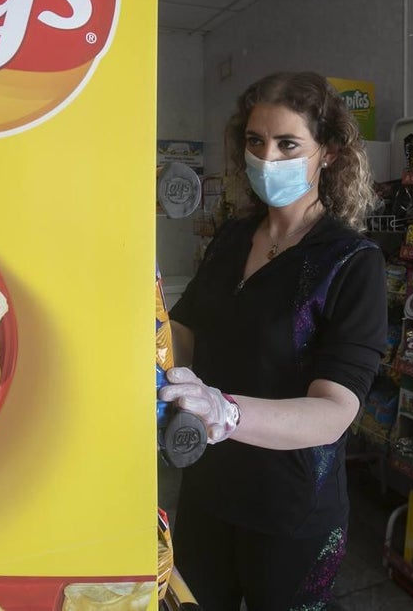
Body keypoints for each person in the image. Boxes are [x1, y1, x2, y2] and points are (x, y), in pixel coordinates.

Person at [159, 71, 387, 610]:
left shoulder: (351, 263)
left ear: (329, 153)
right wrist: (144, 331)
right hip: (208, 486)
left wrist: (227, 412)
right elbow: (187, 337)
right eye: (255, 141)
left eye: (288, 144)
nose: (267, 158)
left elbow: (333, 411)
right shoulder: (233, 238)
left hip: (291, 510)